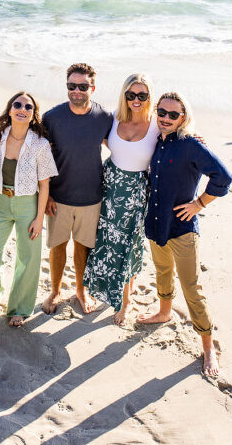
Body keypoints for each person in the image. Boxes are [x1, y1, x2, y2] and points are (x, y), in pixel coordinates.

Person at [137, 91, 232, 377]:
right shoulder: (156, 139)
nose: (165, 118)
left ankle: (208, 347)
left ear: (183, 118)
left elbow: (223, 177)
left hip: (182, 229)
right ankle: (164, 312)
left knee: (192, 288)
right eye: (161, 112)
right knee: (162, 272)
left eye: (173, 115)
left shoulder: (191, 145)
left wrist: (199, 204)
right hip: (156, 224)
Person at [83, 73, 158, 325]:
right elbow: (95, 135)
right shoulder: (114, 117)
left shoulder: (157, 123)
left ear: (149, 97)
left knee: (128, 242)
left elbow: (183, 132)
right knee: (107, 240)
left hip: (136, 190)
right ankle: (124, 283)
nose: (136, 100)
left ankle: (125, 302)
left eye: (142, 95)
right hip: (110, 184)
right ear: (124, 95)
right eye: (131, 94)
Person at [0, 92, 58, 326]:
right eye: (18, 104)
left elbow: (44, 185)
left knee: (28, 258)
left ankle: (19, 308)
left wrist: (38, 218)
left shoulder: (40, 144)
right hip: (0, 204)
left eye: (28, 107)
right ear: (10, 109)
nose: (22, 109)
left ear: (33, 115)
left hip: (28, 205)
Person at [42, 63, 113, 315]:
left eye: (83, 86)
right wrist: (47, 193)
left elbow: (129, 139)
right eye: (72, 86)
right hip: (58, 196)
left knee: (83, 247)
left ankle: (82, 290)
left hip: (91, 196)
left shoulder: (104, 118)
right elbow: (41, 156)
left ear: (92, 88)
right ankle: (55, 290)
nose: (77, 91)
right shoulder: (51, 118)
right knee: (57, 245)